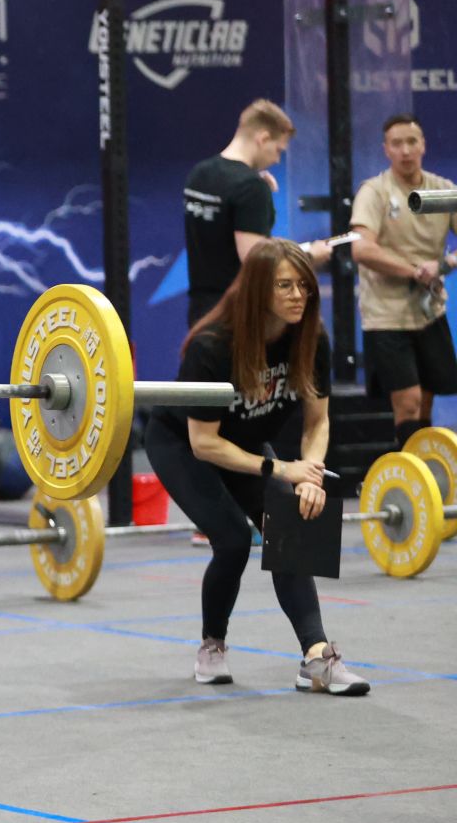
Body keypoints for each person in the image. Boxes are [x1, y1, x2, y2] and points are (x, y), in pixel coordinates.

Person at [142, 239, 370, 696]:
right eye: (284, 285)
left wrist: (310, 470)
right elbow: (204, 443)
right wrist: (282, 469)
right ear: (258, 291)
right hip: (183, 444)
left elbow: (318, 419)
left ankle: (316, 658)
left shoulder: (310, 338)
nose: (298, 295)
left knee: (290, 524)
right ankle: (212, 645)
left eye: (304, 285)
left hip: (243, 443)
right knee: (231, 539)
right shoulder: (212, 347)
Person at [348, 112, 457, 448]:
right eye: (397, 144)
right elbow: (361, 250)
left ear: (423, 145)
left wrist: (445, 264)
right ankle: (410, 481)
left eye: (412, 141)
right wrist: (413, 271)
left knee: (426, 399)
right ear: (386, 150)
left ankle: (422, 479)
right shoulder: (374, 192)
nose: (406, 150)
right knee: (407, 402)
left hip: (429, 312)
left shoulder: (443, 190)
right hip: (386, 316)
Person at [182, 99, 331, 327]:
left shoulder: (199, 173)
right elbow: (255, 259)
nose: (276, 159)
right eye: (278, 150)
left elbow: (220, 224)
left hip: (200, 311)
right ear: (262, 139)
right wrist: (309, 256)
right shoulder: (251, 187)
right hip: (236, 314)